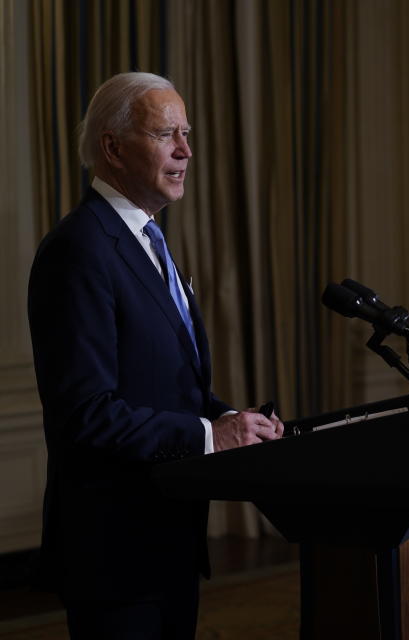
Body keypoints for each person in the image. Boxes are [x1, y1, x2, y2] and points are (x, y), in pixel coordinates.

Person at [27, 72, 284, 638]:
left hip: (167, 533)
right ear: (113, 148)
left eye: (186, 133)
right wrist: (210, 437)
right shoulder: (78, 250)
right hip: (114, 548)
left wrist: (229, 420)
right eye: (166, 134)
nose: (186, 151)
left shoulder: (149, 243)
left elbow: (169, 387)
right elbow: (85, 415)